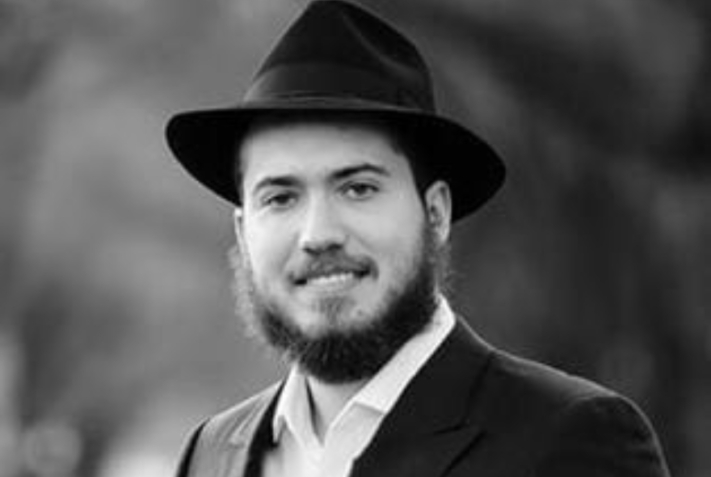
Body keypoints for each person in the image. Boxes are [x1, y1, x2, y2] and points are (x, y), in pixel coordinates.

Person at [165, 1, 670, 476]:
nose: (318, 235)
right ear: (242, 231)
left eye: (358, 188)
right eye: (280, 197)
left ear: (436, 213)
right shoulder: (211, 453)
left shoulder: (572, 436)